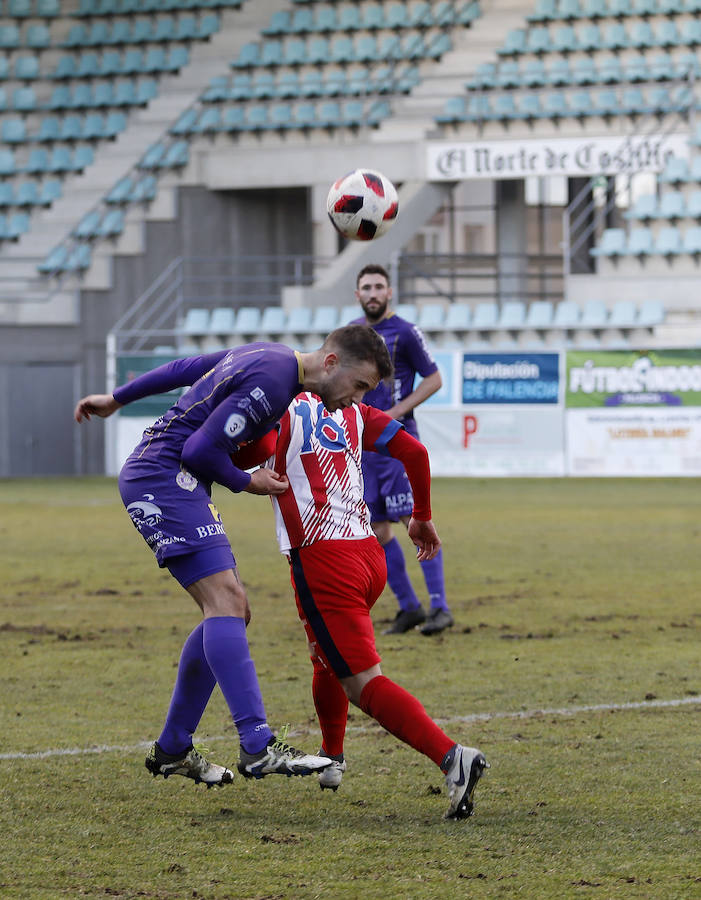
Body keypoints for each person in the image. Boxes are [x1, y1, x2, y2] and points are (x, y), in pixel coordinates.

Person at [74, 325, 392, 787]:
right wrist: (249, 482)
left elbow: (188, 368)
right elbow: (199, 449)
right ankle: (257, 745)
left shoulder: (269, 355)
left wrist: (118, 398)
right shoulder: (274, 381)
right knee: (225, 602)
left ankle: (173, 748)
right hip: (164, 478)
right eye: (358, 385)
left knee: (230, 609)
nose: (354, 399)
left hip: (163, 476)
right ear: (331, 363)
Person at [251, 391, 488, 819]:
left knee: (363, 683)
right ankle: (333, 758)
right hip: (368, 553)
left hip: (323, 559)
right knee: (324, 657)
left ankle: (453, 758)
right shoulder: (355, 410)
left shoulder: (279, 408)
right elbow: (414, 450)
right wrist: (422, 514)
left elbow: (246, 450)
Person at [352, 264, 454, 635]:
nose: (374, 292)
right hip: (363, 450)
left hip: (397, 444)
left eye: (379, 286)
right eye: (367, 287)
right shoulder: (353, 335)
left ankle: (440, 607)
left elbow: (435, 378)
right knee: (377, 528)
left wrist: (397, 411)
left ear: (390, 292)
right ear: (358, 294)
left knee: (416, 522)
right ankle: (409, 607)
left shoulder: (406, 332)